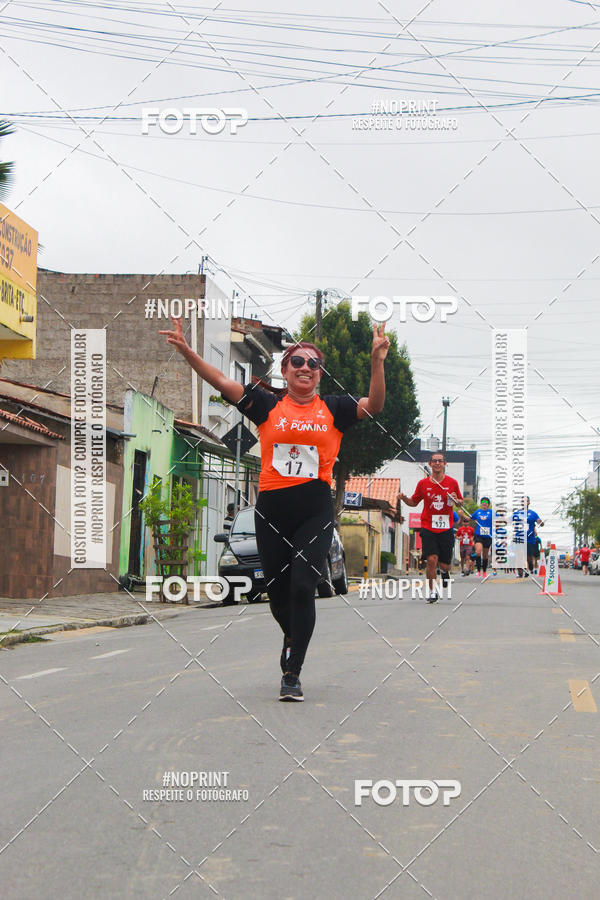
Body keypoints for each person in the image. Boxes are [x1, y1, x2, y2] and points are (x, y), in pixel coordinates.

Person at [160, 316, 389, 701]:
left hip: (315, 511)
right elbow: (220, 381)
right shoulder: (266, 404)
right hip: (271, 512)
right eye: (297, 361)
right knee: (279, 595)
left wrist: (377, 363)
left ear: (320, 374)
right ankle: (292, 635)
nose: (305, 367)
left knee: (302, 586)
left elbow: (375, 405)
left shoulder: (334, 409)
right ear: (285, 370)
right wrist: (186, 351)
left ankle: (292, 672)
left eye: (313, 363)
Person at [397, 452, 463, 603]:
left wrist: (457, 501)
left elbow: (460, 502)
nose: (437, 463)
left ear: (444, 464)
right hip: (428, 526)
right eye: (434, 461)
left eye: (440, 461)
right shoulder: (423, 484)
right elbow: (413, 502)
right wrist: (404, 498)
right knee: (431, 560)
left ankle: (445, 572)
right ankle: (433, 591)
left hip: (446, 527)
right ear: (430, 464)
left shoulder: (452, 482)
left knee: (444, 564)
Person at [513, 497, 544, 577]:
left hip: (529, 538)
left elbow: (540, 522)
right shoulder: (517, 513)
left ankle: (529, 568)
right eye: (523, 501)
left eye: (526, 501)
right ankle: (520, 573)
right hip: (519, 537)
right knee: (519, 556)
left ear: (529, 503)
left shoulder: (533, 514)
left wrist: (541, 522)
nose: (524, 502)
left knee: (528, 557)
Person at [470, 497, 494, 578]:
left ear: (488, 504)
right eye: (483, 502)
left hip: (488, 536)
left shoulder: (491, 512)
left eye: (486, 502)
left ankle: (484, 571)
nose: (484, 503)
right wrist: (462, 515)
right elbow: (469, 518)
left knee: (485, 555)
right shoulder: (478, 512)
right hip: (478, 535)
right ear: (481, 504)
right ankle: (478, 570)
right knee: (478, 552)